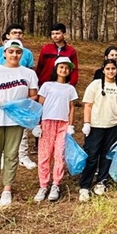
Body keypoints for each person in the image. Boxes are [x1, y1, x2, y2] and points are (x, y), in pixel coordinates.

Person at [0, 39, 39, 209]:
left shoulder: (28, 74)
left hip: (16, 120)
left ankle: (7, 189)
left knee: (11, 155)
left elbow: (34, 96)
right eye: (11, 52)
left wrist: (20, 104)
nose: (14, 55)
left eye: (18, 52)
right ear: (4, 53)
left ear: (22, 54)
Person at [79, 60, 117, 200]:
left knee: (107, 156)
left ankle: (101, 182)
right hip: (95, 127)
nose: (111, 71)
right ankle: (84, 186)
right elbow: (87, 105)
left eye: (113, 68)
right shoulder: (95, 85)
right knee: (92, 156)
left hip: (112, 127)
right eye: (108, 68)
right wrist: (86, 123)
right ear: (103, 70)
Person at [0, 25, 37, 170]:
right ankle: (4, 157)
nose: (17, 34)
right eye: (14, 32)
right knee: (3, 128)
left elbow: (30, 72)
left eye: (20, 32)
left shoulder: (27, 53)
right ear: (8, 35)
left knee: (21, 130)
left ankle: (22, 156)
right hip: (3, 98)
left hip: (21, 98)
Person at [32, 56, 78, 203]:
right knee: (45, 155)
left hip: (63, 124)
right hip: (47, 123)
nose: (63, 70)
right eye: (61, 67)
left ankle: (56, 184)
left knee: (59, 154)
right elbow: (39, 106)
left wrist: (70, 125)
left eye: (66, 68)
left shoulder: (70, 88)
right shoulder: (46, 86)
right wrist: (37, 124)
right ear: (56, 69)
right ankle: (43, 185)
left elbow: (71, 108)